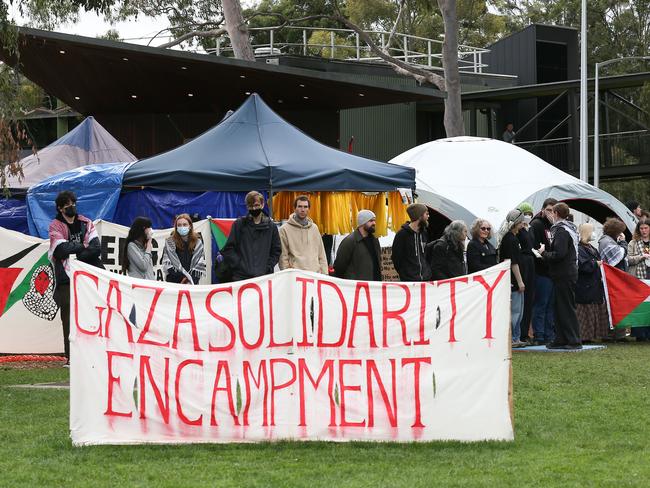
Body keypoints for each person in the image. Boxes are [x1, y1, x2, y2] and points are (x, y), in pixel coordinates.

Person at [48, 190, 104, 365]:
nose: (72, 207)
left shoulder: (85, 222)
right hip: (65, 277)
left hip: (88, 274)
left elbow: (96, 248)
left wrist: (76, 250)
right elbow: (60, 250)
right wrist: (82, 246)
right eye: (68, 205)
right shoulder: (55, 225)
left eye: (74, 203)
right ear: (60, 208)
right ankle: (71, 357)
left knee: (96, 311)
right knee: (69, 316)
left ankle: (95, 352)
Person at [542, 202, 581, 350]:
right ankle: (561, 339)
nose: (550, 214)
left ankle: (574, 340)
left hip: (564, 273)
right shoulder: (568, 228)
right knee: (559, 307)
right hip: (565, 273)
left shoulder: (562, 231)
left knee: (566, 307)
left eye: (552, 211)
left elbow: (559, 254)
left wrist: (543, 253)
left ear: (556, 214)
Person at [222, 191, 281, 281]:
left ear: (263, 204)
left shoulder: (271, 227)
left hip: (264, 278)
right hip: (241, 278)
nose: (254, 208)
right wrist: (239, 265)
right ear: (247, 207)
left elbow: (276, 251)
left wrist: (267, 267)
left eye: (256, 205)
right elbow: (228, 249)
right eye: (250, 206)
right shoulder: (239, 224)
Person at [529, 198, 558, 345]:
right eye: (548, 210)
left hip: (553, 271)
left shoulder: (555, 226)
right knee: (541, 304)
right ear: (542, 210)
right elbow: (534, 248)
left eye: (554, 210)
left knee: (551, 305)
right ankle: (539, 335)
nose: (551, 213)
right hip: (541, 271)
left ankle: (549, 334)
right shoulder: (536, 224)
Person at [497, 209, 527, 348]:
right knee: (515, 310)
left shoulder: (513, 238)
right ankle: (513, 338)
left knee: (519, 311)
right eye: (521, 223)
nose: (523, 225)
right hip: (513, 281)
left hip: (515, 279)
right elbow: (512, 262)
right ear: (516, 223)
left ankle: (516, 336)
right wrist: (520, 281)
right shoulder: (510, 240)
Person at [575, 223, 609, 343]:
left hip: (594, 286)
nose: (594, 233)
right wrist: (596, 264)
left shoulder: (591, 247)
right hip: (585, 286)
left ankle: (593, 334)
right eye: (592, 230)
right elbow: (584, 266)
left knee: (593, 310)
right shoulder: (579, 248)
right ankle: (584, 336)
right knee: (585, 312)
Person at [278, 195, 328, 274]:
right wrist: (287, 274)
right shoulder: (284, 229)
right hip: (295, 276)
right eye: (300, 206)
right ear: (294, 208)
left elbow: (321, 253)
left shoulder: (314, 228)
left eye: (305, 207)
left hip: (315, 274)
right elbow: (283, 257)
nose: (302, 209)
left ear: (309, 209)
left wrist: (325, 273)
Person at [333, 210, 382, 281]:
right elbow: (339, 267)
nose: (374, 223)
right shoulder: (350, 241)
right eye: (371, 221)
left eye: (374, 220)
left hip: (374, 286)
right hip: (357, 287)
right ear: (362, 222)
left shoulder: (374, 240)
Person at [391, 203, 432, 281]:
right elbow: (396, 258)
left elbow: (426, 255)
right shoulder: (402, 234)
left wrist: (427, 272)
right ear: (419, 216)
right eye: (426, 214)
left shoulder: (424, 233)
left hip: (426, 279)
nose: (428, 216)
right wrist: (405, 274)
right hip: (410, 281)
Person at [161, 213, 206, 284]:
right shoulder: (169, 242)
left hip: (191, 284)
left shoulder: (198, 242)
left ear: (190, 226)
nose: (182, 227)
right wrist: (183, 279)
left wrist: (189, 280)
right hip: (173, 283)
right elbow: (168, 265)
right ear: (176, 227)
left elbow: (200, 264)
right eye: (179, 225)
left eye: (185, 224)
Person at [517, 202, 537, 343]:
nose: (528, 216)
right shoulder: (518, 231)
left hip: (531, 262)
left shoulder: (530, 229)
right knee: (521, 300)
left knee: (530, 299)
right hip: (523, 263)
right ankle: (519, 333)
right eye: (526, 213)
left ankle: (525, 333)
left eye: (530, 213)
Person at [627, 218, 650, 341]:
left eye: (646, 228)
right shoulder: (633, 242)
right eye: (641, 228)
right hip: (639, 276)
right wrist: (641, 257)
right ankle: (640, 334)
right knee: (639, 305)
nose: (644, 231)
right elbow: (629, 259)